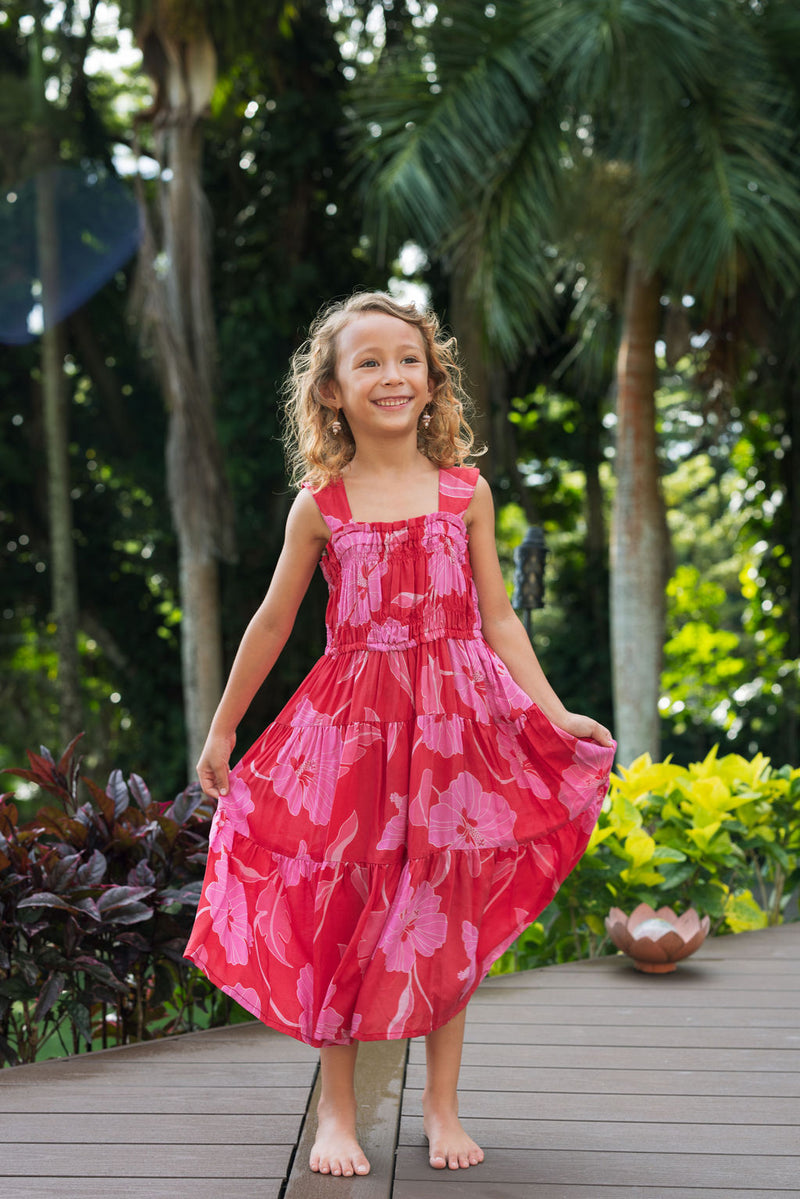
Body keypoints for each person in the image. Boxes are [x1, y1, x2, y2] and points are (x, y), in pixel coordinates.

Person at [185, 291, 616, 1178]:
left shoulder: (465, 491)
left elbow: (499, 619)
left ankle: (442, 1104)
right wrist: (225, 726)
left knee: (446, 904)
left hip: (458, 730)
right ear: (333, 391)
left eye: (409, 359)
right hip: (353, 730)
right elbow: (271, 623)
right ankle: (336, 1113)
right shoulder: (323, 505)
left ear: (433, 379)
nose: (393, 374)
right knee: (343, 903)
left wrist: (552, 709)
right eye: (369, 361)